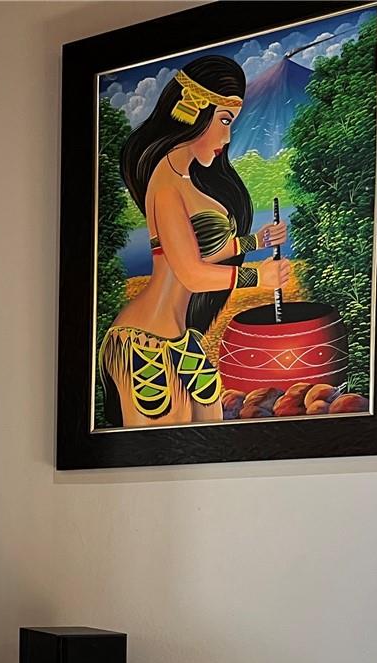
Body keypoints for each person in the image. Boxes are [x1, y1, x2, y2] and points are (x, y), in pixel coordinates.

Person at [104, 55, 294, 427]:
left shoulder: (187, 179)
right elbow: (189, 272)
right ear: (193, 110)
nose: (228, 137)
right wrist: (259, 277)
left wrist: (255, 241)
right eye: (224, 120)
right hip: (143, 339)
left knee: (209, 429)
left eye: (231, 123)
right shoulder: (166, 183)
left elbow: (201, 249)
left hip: (180, 338)